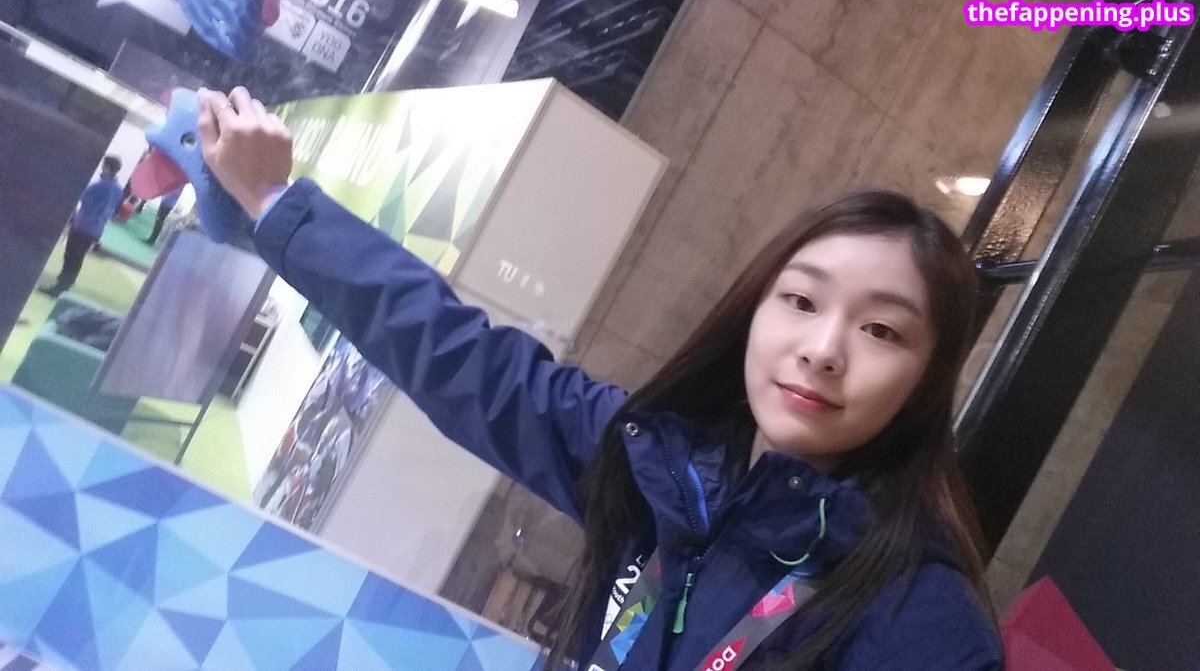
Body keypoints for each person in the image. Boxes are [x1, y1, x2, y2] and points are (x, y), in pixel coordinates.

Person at [197, 87, 1003, 669]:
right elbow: (460, 356)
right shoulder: (664, 468)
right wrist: (273, 202)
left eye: (881, 330)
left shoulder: (921, 622)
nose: (824, 348)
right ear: (755, 310)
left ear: (927, 379)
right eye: (801, 299)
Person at [40, 155, 124, 298]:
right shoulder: (118, 190)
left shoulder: (99, 186)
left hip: (83, 224)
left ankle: (61, 285)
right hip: (96, 228)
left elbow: (85, 199)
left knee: (71, 255)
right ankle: (66, 281)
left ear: (107, 167)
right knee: (78, 256)